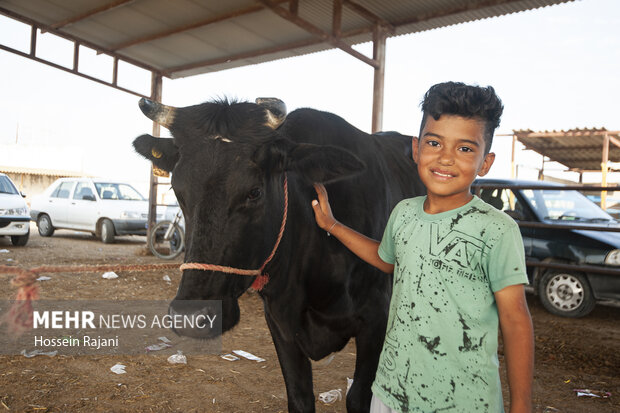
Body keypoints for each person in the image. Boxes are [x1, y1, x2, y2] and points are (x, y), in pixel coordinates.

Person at [311, 81, 534, 413]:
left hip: (462, 401)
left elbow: (515, 320)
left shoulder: (497, 229)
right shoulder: (403, 212)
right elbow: (386, 259)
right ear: (416, 149)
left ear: (485, 163)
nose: (445, 159)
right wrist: (333, 226)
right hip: (389, 391)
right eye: (434, 142)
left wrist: (521, 406)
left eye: (464, 149)